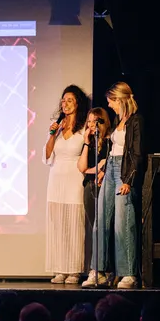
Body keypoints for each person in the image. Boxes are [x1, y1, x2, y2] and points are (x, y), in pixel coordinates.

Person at [84, 82, 145, 289]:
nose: (109, 105)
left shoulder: (136, 121)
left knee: (122, 222)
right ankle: (98, 271)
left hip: (124, 171)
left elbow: (137, 154)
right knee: (100, 220)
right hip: (110, 167)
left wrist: (128, 180)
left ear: (120, 99)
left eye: (111, 101)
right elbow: (113, 150)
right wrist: (103, 171)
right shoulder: (120, 120)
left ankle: (128, 273)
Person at [43, 85, 90, 284]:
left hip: (74, 177)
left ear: (77, 103)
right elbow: (46, 156)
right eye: (63, 100)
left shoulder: (83, 128)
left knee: (74, 223)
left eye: (69, 100)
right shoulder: (57, 127)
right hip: (56, 178)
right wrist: (53, 134)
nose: (65, 104)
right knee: (58, 224)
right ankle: (60, 268)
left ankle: (74, 270)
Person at [78, 107, 112, 279]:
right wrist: (85, 142)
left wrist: (99, 169)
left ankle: (105, 269)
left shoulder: (109, 142)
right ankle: (99, 269)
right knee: (94, 229)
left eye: (94, 121)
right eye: (89, 121)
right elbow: (82, 168)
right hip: (89, 186)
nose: (91, 125)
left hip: (103, 186)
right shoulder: (90, 144)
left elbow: (106, 164)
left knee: (103, 228)